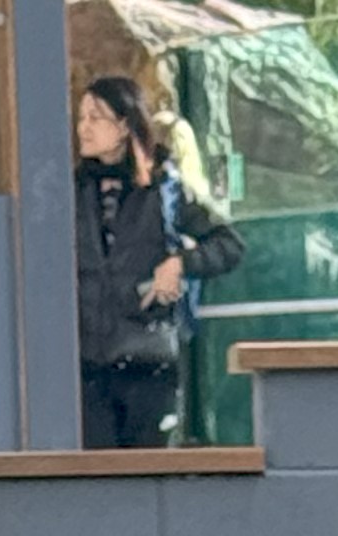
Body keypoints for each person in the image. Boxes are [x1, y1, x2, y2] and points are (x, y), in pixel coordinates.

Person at [72, 73, 238, 452]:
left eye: (95, 117)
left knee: (147, 474)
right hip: (86, 367)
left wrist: (180, 263)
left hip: (148, 361)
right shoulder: (72, 191)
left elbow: (228, 243)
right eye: (81, 118)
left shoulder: (165, 189)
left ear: (125, 124)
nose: (84, 128)